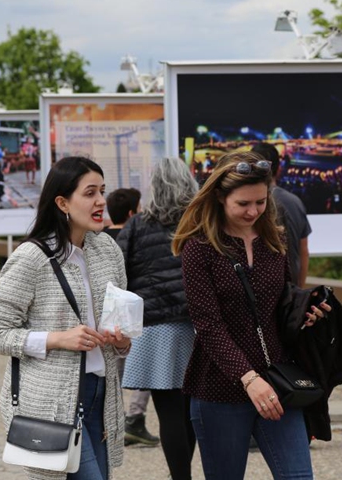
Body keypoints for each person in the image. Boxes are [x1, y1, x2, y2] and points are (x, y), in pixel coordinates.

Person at [172, 151, 330, 479]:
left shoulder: (275, 239)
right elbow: (207, 324)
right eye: (243, 203)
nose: (253, 211)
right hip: (220, 388)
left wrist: (305, 313)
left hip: (279, 382)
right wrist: (249, 379)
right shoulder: (199, 247)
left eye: (260, 202)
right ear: (219, 197)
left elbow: (281, 304)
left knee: (299, 476)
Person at [0, 156, 131, 480]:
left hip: (102, 394)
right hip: (51, 400)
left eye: (102, 191)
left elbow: (122, 331)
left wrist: (122, 341)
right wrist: (57, 339)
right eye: (90, 193)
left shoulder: (108, 250)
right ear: (62, 202)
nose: (101, 201)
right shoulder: (31, 258)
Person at [117, 158, 198, 479]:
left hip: (154, 330)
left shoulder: (138, 225)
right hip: (197, 328)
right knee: (192, 411)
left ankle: (181, 476)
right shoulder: (201, 222)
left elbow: (118, 273)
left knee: (168, 414)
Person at [102, 187, 159, 447]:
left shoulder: (99, 238)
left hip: (106, 316)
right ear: (131, 213)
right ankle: (135, 417)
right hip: (135, 314)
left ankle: (110, 420)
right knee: (142, 368)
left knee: (111, 368)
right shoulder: (138, 236)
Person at [251, 143, 312, 286]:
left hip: (262, 294)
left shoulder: (248, 204)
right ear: (279, 169)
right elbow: (304, 251)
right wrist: (299, 292)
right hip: (291, 293)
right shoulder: (295, 202)